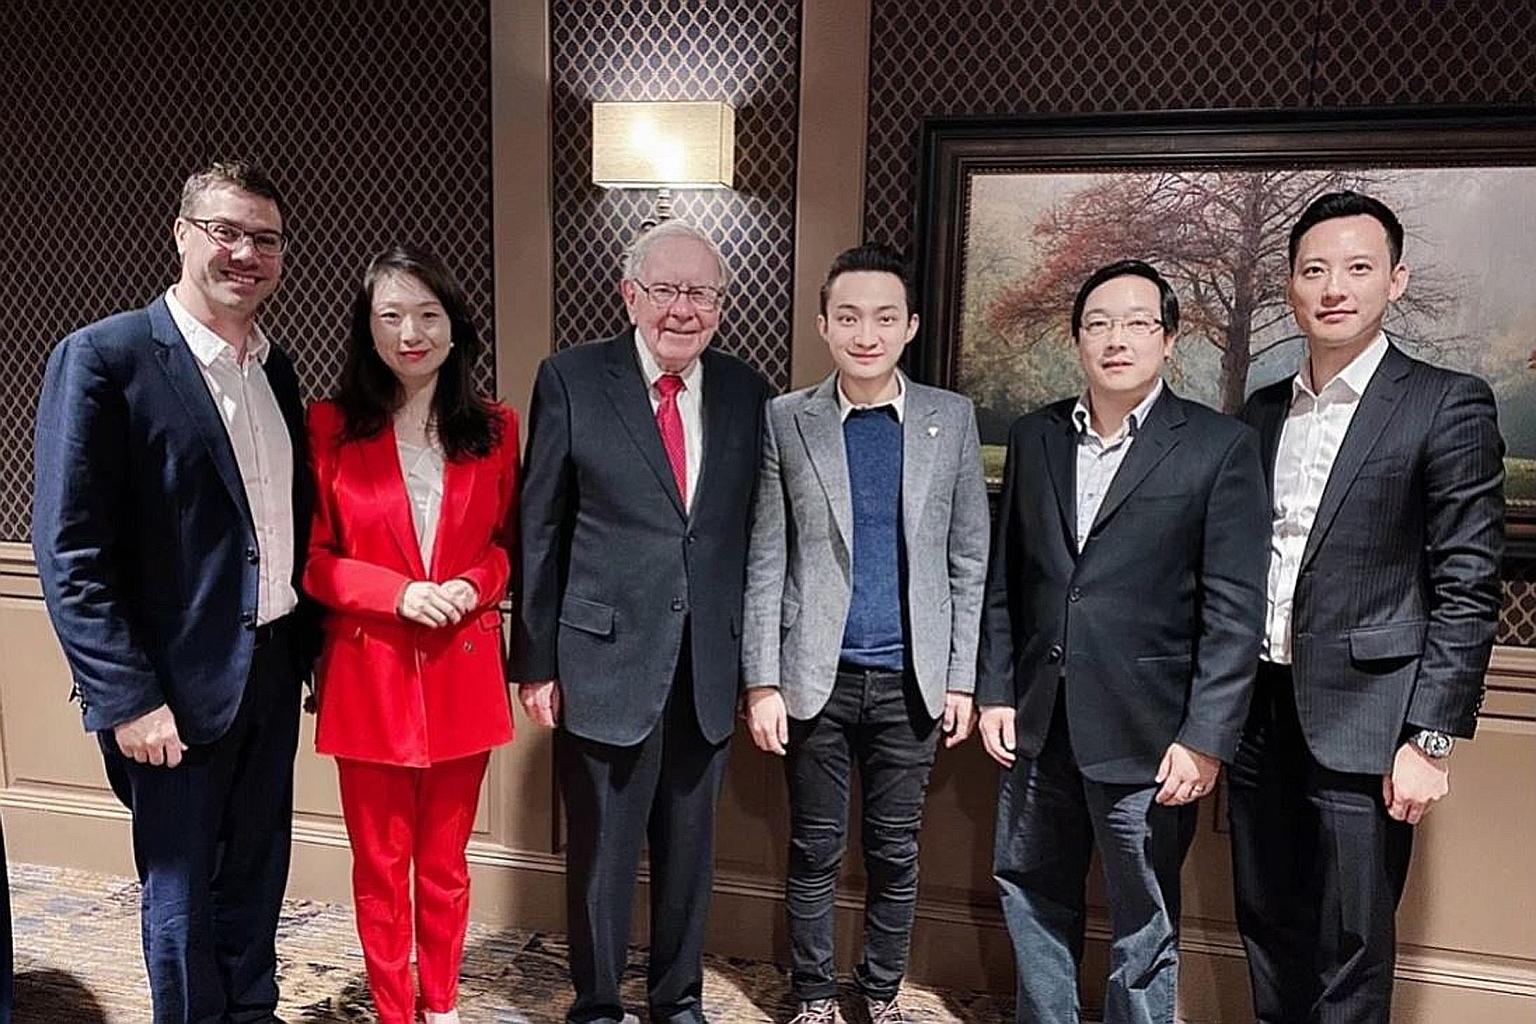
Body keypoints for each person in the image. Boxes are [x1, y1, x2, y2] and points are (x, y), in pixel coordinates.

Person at [32, 161, 317, 1024]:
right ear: (183, 233)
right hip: (168, 690)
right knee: (182, 893)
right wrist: (129, 699)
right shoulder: (106, 357)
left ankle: (253, 1013)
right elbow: (69, 549)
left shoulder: (277, 368)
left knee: (258, 873)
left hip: (270, 668)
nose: (246, 253)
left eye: (264, 239)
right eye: (225, 231)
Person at [1229, 191, 1505, 1023]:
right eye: (1314, 269)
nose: (1334, 287)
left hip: (1370, 720)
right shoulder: (1263, 409)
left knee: (1350, 943)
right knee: (1266, 922)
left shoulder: (1445, 401)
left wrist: (1431, 737)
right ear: (1290, 287)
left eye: (1357, 267)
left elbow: (1467, 583)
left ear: (1396, 280)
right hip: (1256, 715)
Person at [976, 260, 1268, 1024]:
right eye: (1099, 322)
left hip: (1150, 732)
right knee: (1029, 887)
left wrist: (1206, 738)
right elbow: (1010, 579)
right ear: (1077, 339)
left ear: (1169, 339)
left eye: (1139, 322)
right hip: (1040, 723)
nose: (1117, 338)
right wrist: (998, 690)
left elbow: (1236, 612)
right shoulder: (1036, 436)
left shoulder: (1217, 446)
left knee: (1143, 916)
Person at [512, 220, 772, 1024]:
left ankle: (678, 1001)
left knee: (691, 858)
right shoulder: (571, 379)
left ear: (721, 306)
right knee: (601, 857)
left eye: (701, 293)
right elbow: (540, 527)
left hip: (704, 669)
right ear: (630, 294)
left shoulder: (747, 391)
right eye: (665, 290)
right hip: (601, 658)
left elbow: (754, 533)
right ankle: (595, 1004)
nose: (682, 309)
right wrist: (534, 660)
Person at [740, 243, 988, 1024]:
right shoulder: (787, 418)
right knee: (813, 849)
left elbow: (968, 557)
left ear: (910, 325)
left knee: (895, 851)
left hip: (912, 680)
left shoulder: (951, 418)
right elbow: (765, 557)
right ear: (822, 324)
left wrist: (961, 677)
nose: (866, 333)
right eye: (848, 317)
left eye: (884, 317)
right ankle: (813, 995)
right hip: (816, 674)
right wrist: (762, 681)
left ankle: (878, 992)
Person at [304, 246, 518, 1024]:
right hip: (371, 676)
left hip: (462, 674)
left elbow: (505, 546)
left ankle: (445, 1006)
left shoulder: (496, 428)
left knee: (445, 868)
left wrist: (472, 585)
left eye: (428, 315)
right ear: (367, 331)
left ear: (456, 329)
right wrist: (399, 593)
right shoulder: (329, 428)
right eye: (390, 316)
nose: (410, 333)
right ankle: (396, 1011)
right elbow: (315, 564)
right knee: (381, 867)